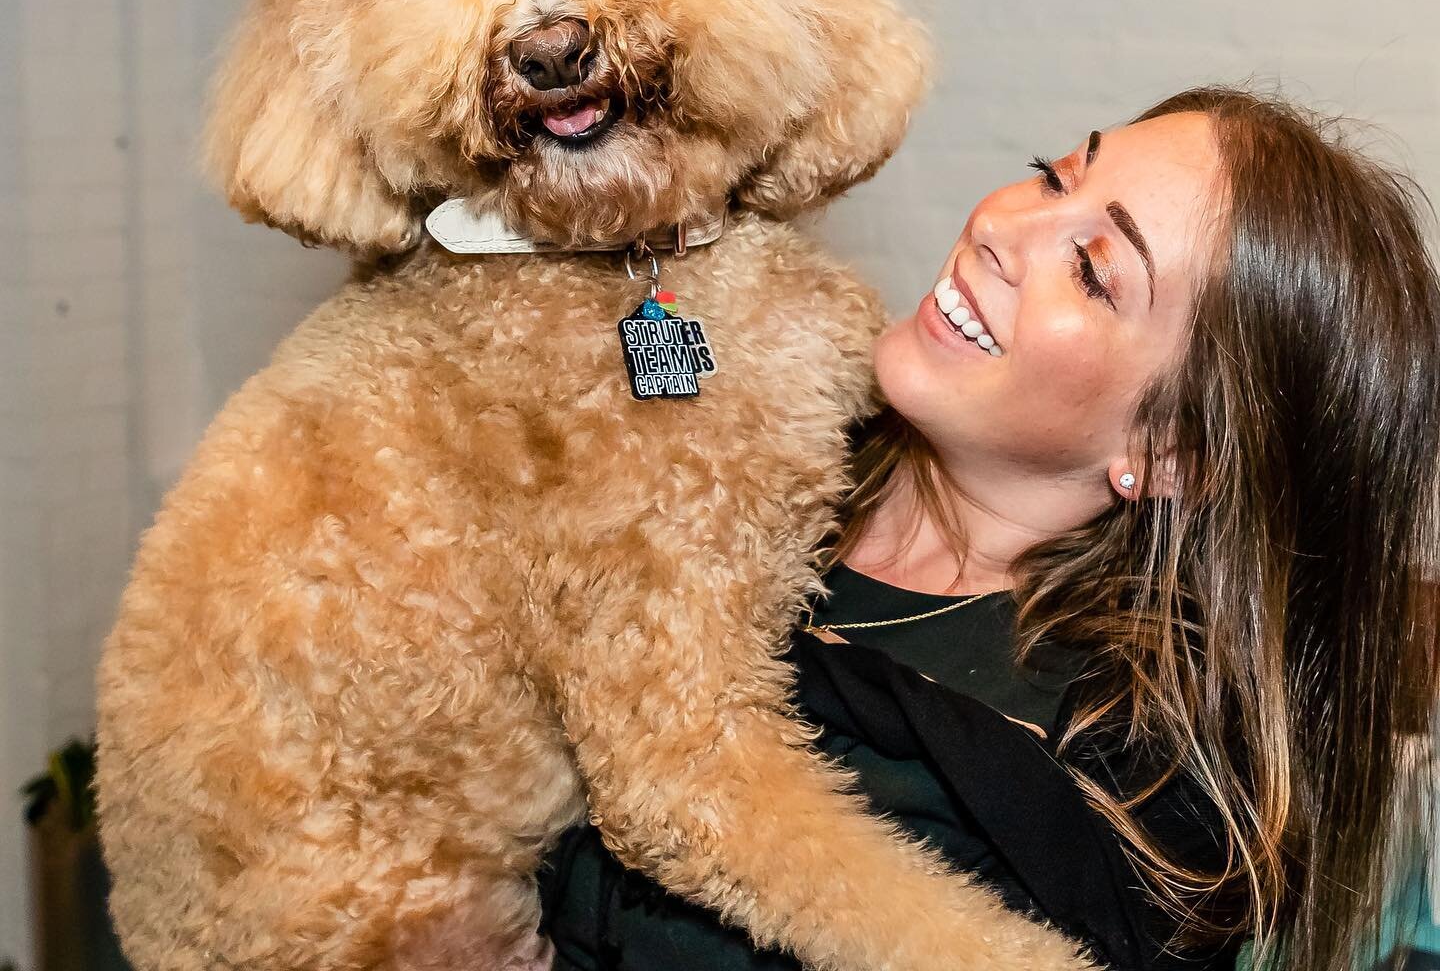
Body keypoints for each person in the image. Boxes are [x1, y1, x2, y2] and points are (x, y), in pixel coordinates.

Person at [538, 85, 1440, 971]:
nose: (1001, 228)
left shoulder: (1077, 805)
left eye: (1092, 270)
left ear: (1171, 452)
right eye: (1053, 177)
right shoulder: (758, 422)